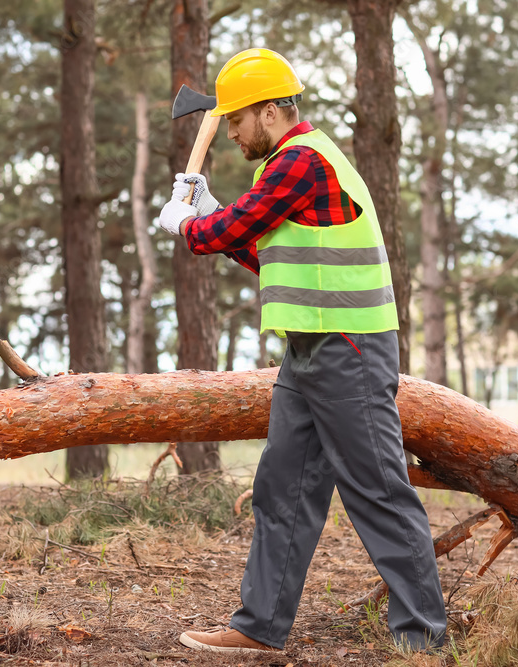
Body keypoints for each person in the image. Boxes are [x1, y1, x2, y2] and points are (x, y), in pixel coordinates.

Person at [157, 48, 448, 655]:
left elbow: (230, 233)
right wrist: (208, 214)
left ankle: (423, 641)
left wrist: (187, 224)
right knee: (282, 488)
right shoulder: (287, 171)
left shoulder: (302, 161)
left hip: (350, 348)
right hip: (309, 350)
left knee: (377, 491)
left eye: (237, 120)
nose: (231, 133)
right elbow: (266, 255)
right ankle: (258, 628)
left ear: (269, 112)